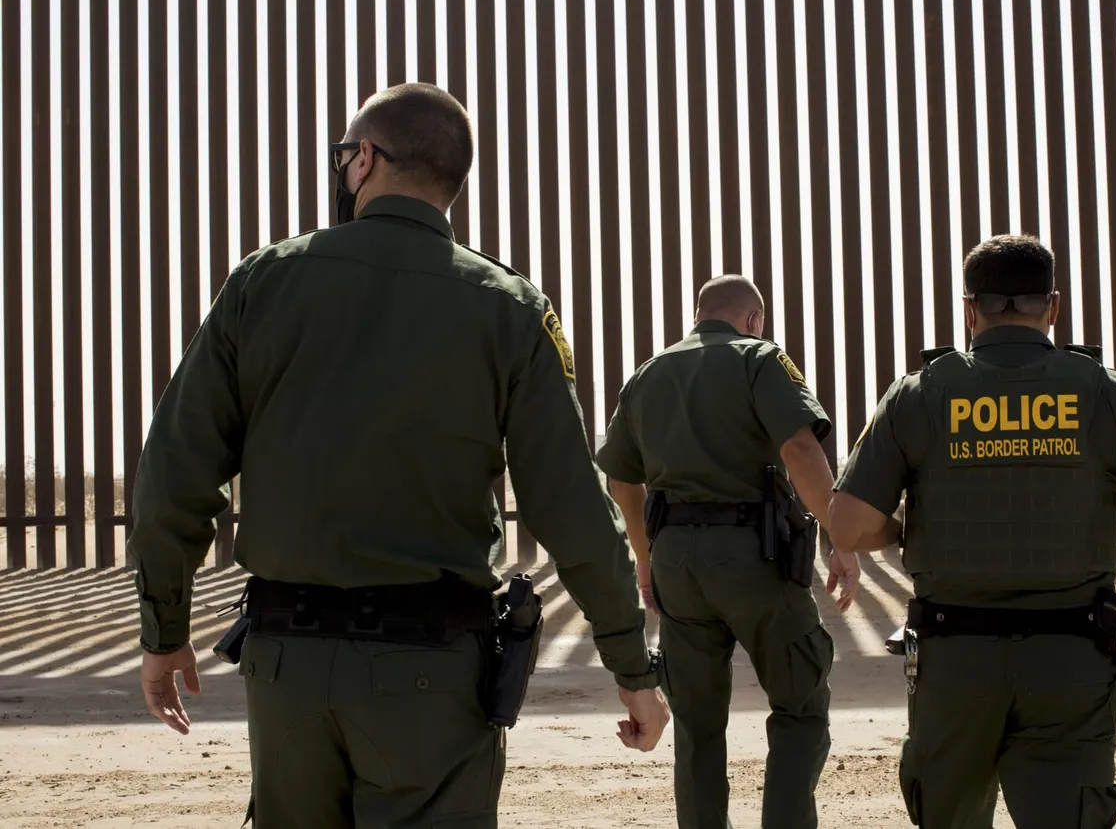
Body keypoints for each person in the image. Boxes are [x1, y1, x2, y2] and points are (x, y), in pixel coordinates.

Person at [125, 82, 670, 828]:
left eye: (346, 155)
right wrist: (630, 667)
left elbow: (171, 478)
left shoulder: (264, 280)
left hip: (288, 665)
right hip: (431, 671)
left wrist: (163, 632)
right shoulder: (510, 307)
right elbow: (573, 510)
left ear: (366, 159)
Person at [827, 234, 1116, 829]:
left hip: (955, 658)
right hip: (1072, 655)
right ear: (1054, 306)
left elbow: (851, 526)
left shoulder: (920, 393)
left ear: (970, 309)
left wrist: (916, 523)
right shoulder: (1109, 392)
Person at [595, 274, 862, 829]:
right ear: (753, 319)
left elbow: (623, 482)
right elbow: (798, 447)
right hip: (754, 556)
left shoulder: (650, 372)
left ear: (699, 315)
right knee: (799, 704)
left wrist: (646, 560)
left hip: (677, 562)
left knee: (696, 722)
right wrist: (839, 537)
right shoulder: (759, 358)